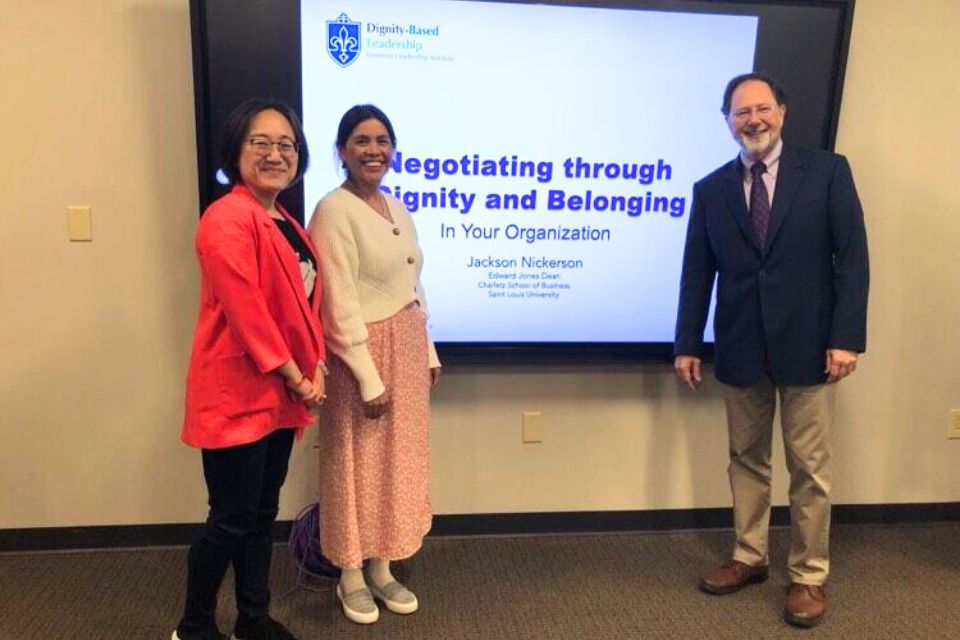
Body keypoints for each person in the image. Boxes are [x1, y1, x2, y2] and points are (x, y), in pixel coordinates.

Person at [674, 73, 869, 627]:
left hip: (811, 346)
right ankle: (750, 556)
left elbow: (852, 259)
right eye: (741, 112)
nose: (752, 120)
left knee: (810, 468)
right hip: (739, 345)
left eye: (762, 108)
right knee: (746, 460)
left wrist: (845, 337)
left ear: (781, 112)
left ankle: (808, 575)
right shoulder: (710, 189)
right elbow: (697, 274)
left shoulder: (828, 172)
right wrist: (688, 343)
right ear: (728, 121)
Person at [174, 98, 326, 640]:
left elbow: (303, 307)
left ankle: (252, 620)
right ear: (236, 151)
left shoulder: (284, 220)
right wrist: (298, 377)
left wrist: (316, 364)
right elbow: (248, 312)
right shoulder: (226, 218)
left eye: (286, 144)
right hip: (237, 392)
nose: (275, 154)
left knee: (262, 514)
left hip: (279, 393)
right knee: (231, 519)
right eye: (260, 143)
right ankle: (193, 627)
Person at [307, 104, 441, 625]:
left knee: (396, 464)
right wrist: (367, 377)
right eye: (361, 140)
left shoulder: (397, 207)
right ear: (341, 151)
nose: (373, 150)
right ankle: (350, 575)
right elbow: (337, 303)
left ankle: (382, 567)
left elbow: (413, 286)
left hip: (406, 350)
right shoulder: (333, 210)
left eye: (382, 140)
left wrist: (428, 352)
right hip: (361, 355)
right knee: (355, 463)